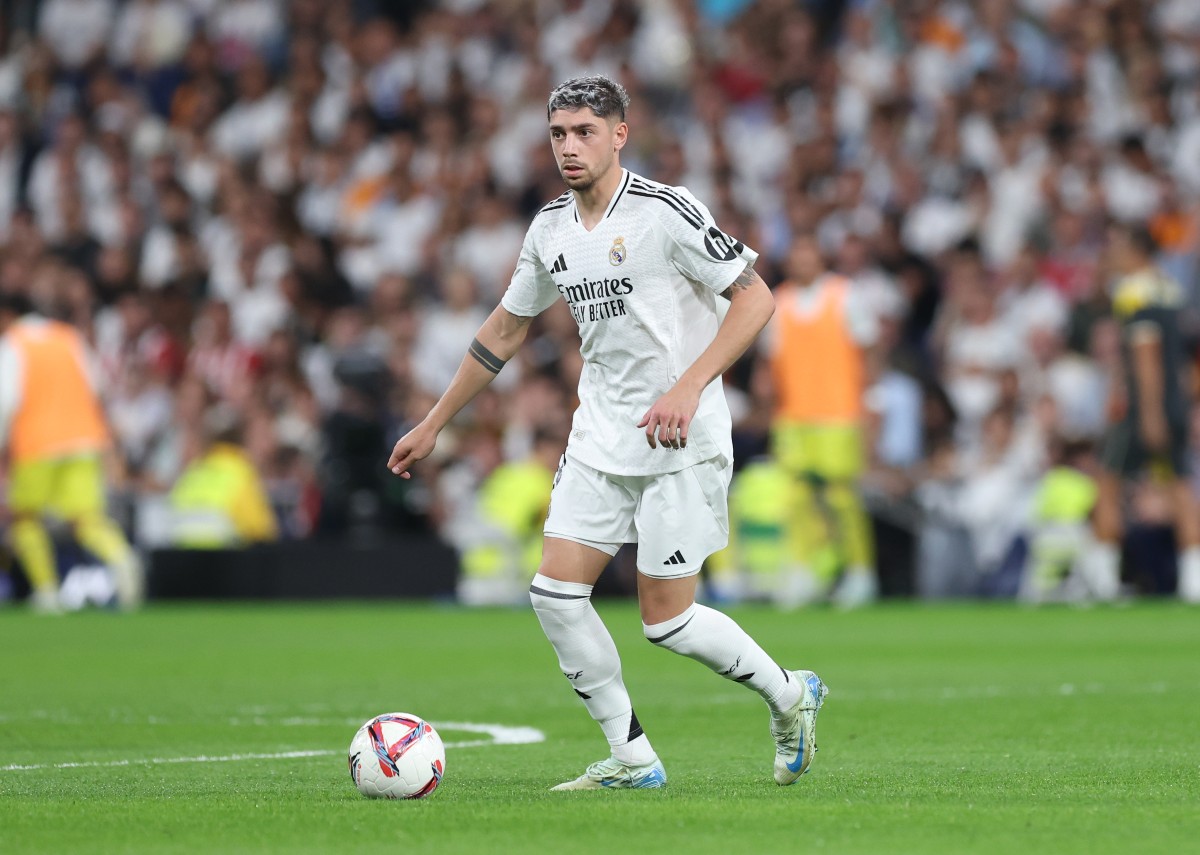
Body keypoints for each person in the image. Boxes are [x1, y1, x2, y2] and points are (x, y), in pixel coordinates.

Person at [387, 75, 827, 790]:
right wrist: (435, 422)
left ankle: (789, 694)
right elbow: (504, 327)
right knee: (555, 594)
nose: (569, 146)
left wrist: (689, 385)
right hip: (599, 432)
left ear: (619, 134)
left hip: (681, 436)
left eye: (585, 131)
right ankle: (632, 758)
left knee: (667, 623)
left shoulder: (666, 211)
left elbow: (755, 299)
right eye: (558, 133)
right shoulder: (550, 228)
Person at [0, 292, 142, 612]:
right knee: (86, 518)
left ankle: (47, 590)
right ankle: (121, 558)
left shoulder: (13, 344)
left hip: (35, 444)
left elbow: (6, 400)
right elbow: (98, 386)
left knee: (25, 518)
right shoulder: (69, 338)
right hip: (84, 441)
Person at [765, 234, 879, 607]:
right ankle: (806, 570)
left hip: (838, 413)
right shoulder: (778, 302)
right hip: (794, 415)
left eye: (808, 255)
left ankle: (860, 572)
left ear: (821, 259)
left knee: (841, 497)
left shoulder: (845, 295)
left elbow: (870, 348)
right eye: (796, 256)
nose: (802, 263)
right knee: (797, 497)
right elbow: (772, 362)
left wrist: (871, 400)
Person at [1088, 224, 1200, 602]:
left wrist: (1148, 412)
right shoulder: (1171, 290)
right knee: (1180, 486)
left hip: (1145, 407)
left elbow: (1145, 352)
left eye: (1120, 246)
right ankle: (1194, 579)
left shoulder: (1134, 293)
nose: (1114, 254)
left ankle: (1103, 580)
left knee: (1108, 481)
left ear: (1137, 250)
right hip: (1176, 402)